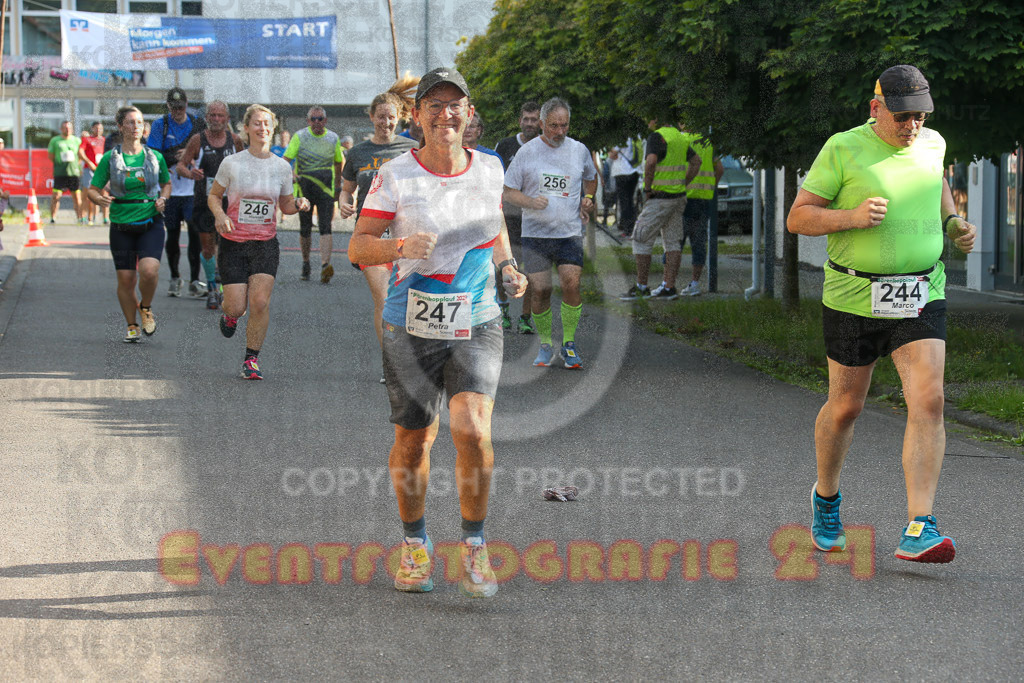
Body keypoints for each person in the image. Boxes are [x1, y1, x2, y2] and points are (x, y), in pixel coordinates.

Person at [348, 67, 527, 598]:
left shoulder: (490, 169)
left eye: (456, 105)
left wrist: (509, 266)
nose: (446, 114)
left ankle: (474, 543)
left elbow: (495, 225)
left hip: (477, 317)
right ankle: (415, 543)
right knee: (415, 437)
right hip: (411, 322)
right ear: (417, 116)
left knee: (472, 429)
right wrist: (399, 248)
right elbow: (360, 247)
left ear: (468, 113)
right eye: (435, 105)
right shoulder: (395, 176)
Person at [787, 65, 976, 564]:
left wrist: (953, 221)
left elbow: (936, 184)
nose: (912, 126)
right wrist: (850, 217)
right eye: (902, 117)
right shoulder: (842, 148)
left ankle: (920, 525)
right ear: (876, 109)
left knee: (929, 400)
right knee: (846, 407)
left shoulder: (932, 143)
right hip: (854, 296)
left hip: (920, 290)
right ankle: (826, 498)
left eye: (920, 116)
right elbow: (798, 216)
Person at [209, 104, 311, 380]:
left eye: (267, 123)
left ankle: (251, 359)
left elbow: (286, 205)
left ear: (273, 128)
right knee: (236, 306)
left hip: (265, 243)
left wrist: (298, 203)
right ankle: (229, 315)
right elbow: (214, 195)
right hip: (233, 242)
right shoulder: (232, 163)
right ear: (246, 128)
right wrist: (219, 215)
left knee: (261, 302)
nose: (262, 128)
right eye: (257, 123)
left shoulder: (281, 167)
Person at [503, 97, 597, 368]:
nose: (559, 132)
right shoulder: (528, 152)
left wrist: (588, 197)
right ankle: (545, 344)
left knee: (572, 284)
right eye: (553, 126)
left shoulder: (578, 150)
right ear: (542, 123)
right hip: (536, 235)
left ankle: (569, 344)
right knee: (541, 291)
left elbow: (591, 177)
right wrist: (530, 202)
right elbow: (508, 191)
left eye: (564, 126)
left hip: (568, 232)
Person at [338, 76, 418, 383]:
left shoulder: (412, 149)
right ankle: (392, 363)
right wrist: (345, 203)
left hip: (406, 232)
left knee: (408, 299)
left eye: (391, 117)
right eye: (380, 116)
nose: (385, 122)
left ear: (400, 119)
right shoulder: (357, 152)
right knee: (384, 299)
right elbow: (345, 190)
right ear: (372, 117)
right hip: (370, 235)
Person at [86, 106, 171, 343]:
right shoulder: (110, 158)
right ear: (121, 126)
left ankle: (145, 307)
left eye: (140, 122)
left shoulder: (155, 157)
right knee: (126, 279)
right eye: (131, 122)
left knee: (150, 271)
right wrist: (99, 198)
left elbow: (166, 183)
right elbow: (92, 190)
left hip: (150, 221)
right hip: (121, 224)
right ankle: (132, 325)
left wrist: (163, 198)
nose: (136, 127)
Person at [619, 119, 700, 301]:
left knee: (640, 237)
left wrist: (647, 189)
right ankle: (669, 287)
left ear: (657, 119)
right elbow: (696, 162)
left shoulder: (657, 137)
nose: (647, 121)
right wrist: (683, 184)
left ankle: (642, 287)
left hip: (659, 198)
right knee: (672, 242)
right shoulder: (679, 138)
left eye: (649, 117)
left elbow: (651, 162)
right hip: (678, 198)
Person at [177, 100, 245, 310]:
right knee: (207, 248)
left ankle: (223, 289)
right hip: (204, 202)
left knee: (226, 247)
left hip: (229, 203)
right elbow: (181, 166)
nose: (216, 119)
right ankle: (212, 289)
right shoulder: (198, 140)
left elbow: (246, 167)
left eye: (220, 116)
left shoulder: (235, 141)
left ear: (227, 119)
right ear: (207, 118)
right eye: (212, 115)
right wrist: (191, 173)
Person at [148, 87, 206, 298]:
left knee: (195, 235)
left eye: (181, 107)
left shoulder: (198, 123)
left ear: (187, 104)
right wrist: (176, 157)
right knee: (171, 235)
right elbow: (153, 156)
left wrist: (191, 152)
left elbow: (207, 149)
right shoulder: (160, 125)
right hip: (169, 189)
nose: (177, 111)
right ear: (168, 106)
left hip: (192, 189)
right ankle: (174, 277)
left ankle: (195, 280)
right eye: (174, 107)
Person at [495, 101, 541, 333]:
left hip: (535, 220)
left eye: (534, 120)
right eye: (526, 119)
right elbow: (496, 180)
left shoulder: (546, 147)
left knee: (531, 269)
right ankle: (503, 311)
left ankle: (525, 317)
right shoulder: (505, 146)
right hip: (509, 218)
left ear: (540, 122)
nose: (530, 123)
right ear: (520, 121)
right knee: (502, 266)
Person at [283, 106, 344, 283]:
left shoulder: (333, 138)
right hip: (304, 191)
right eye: (313, 119)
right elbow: (286, 160)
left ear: (325, 121)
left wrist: (338, 186)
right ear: (308, 121)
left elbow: (338, 163)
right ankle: (306, 262)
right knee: (305, 229)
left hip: (326, 190)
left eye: (320, 119)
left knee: (326, 227)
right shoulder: (300, 136)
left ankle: (325, 265)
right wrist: (291, 175)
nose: (317, 122)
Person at [677, 129, 725, 296]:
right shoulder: (708, 142)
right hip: (703, 200)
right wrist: (711, 187)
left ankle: (668, 283)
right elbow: (719, 169)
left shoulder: (680, 140)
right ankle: (695, 283)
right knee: (699, 242)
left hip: (682, 198)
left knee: (675, 241)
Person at [47, 121, 82, 224]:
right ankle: (53, 217)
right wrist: (58, 163)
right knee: (56, 195)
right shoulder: (55, 140)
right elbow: (51, 156)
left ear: (72, 129)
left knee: (76, 196)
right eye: (65, 128)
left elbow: (80, 155)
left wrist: (76, 164)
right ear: (61, 129)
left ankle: (80, 218)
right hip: (60, 173)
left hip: (73, 173)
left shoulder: (77, 140)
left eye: (69, 128)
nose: (67, 130)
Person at [607, 136, 643, 237]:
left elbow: (612, 154)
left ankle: (628, 230)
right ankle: (632, 228)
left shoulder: (621, 136)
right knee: (630, 201)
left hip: (622, 172)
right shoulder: (636, 135)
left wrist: (610, 152)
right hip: (634, 171)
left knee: (624, 202)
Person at [78, 121, 109, 226]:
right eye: (96, 128)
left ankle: (105, 218)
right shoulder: (87, 139)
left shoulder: (105, 140)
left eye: (100, 128)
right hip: (90, 169)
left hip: (102, 170)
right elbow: (80, 152)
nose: (98, 130)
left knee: (104, 193)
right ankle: (84, 217)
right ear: (92, 128)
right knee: (87, 194)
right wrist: (89, 162)